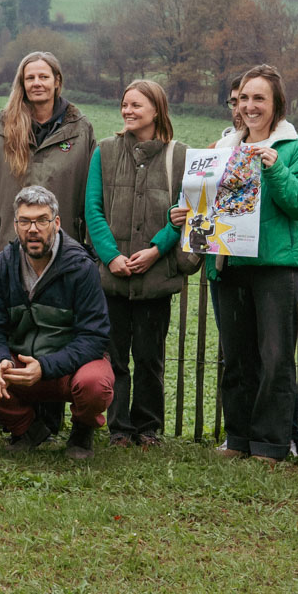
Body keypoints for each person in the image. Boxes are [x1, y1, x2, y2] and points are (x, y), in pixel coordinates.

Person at [204, 65, 298, 464]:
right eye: (244, 99)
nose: (250, 106)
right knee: (237, 358)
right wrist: (184, 214)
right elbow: (206, 204)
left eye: (259, 99)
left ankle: (270, 443)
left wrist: (276, 167)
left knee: (274, 358)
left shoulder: (297, 148)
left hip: (275, 266)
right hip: (230, 264)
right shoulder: (223, 150)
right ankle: (237, 438)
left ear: (276, 105)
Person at [83, 79, 191, 448]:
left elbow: (184, 213)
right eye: (125, 105)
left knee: (149, 359)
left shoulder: (180, 156)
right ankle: (119, 429)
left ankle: (148, 428)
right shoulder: (105, 151)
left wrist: (157, 249)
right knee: (114, 358)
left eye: (136, 105)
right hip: (111, 277)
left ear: (157, 110)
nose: (127, 111)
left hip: (156, 275)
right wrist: (110, 256)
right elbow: (93, 209)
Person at [0, 185, 113, 460]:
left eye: (41, 220)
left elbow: (94, 337)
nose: (33, 229)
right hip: (18, 365)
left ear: (56, 223)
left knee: (95, 384)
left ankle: (82, 431)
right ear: (15, 224)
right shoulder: (0, 266)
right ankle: (27, 429)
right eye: (25, 221)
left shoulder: (80, 266)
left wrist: (45, 367)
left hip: (68, 368)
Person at [0, 51, 95, 264]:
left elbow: (91, 199)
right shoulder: (1, 128)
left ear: (57, 81)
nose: (37, 83)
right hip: (6, 252)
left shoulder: (80, 130)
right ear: (22, 83)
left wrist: (89, 253)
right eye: (30, 78)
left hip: (64, 254)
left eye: (43, 77)